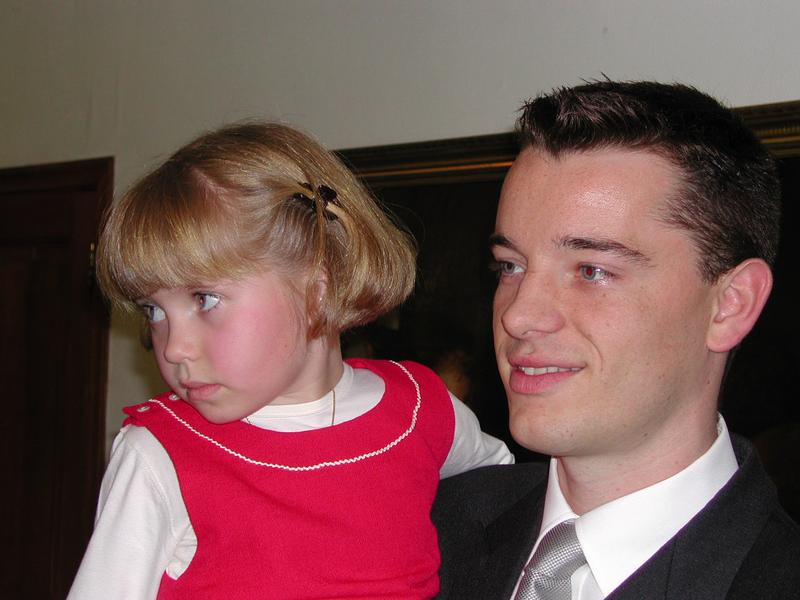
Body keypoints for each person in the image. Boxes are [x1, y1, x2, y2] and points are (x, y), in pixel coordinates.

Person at [69, 122, 512, 599]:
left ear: (316, 290)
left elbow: (504, 490)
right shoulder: (159, 454)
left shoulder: (420, 409)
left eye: (204, 299)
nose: (173, 347)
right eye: (154, 310)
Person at [432, 81, 800, 599]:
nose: (519, 315)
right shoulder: (424, 527)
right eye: (511, 266)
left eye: (591, 270)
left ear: (730, 303)